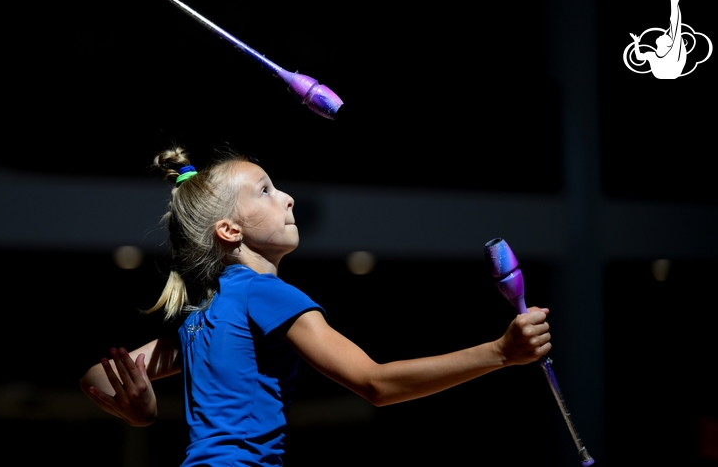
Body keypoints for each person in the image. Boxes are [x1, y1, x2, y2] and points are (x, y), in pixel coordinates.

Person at [79, 145, 553, 466]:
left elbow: (96, 378)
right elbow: (376, 384)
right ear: (230, 230)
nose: (286, 198)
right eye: (265, 190)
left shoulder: (202, 318)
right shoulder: (266, 295)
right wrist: (500, 354)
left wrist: (141, 414)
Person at [630, 0, 686, 79]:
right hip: (669, 72)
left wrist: (636, 42)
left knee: (675, 26)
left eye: (665, 36)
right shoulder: (654, 54)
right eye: (666, 35)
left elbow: (676, 25)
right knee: (675, 26)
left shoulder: (666, 53)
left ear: (667, 44)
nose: (662, 34)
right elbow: (638, 57)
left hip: (670, 71)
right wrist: (636, 42)